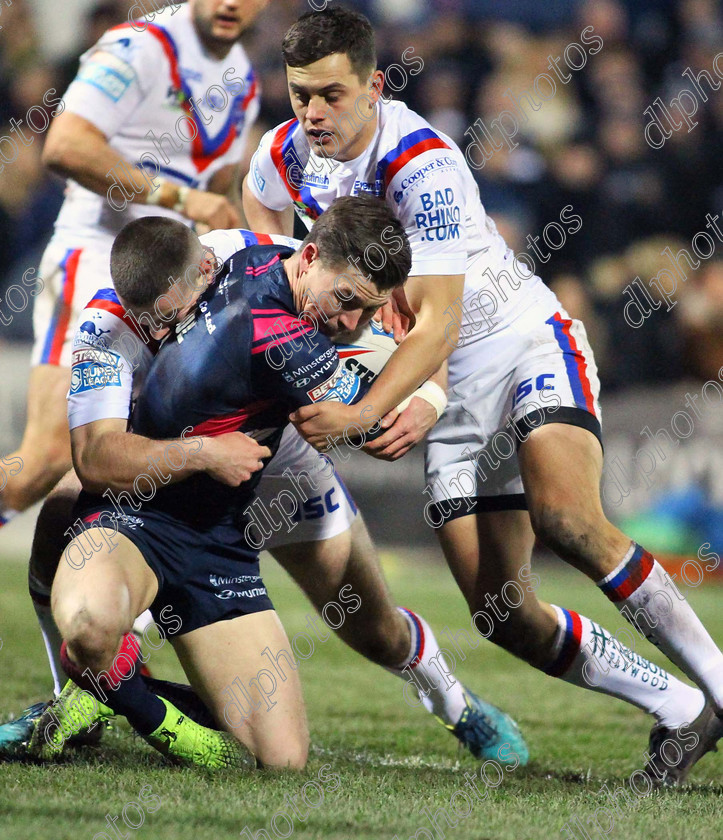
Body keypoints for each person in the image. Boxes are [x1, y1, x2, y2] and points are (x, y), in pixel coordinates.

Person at [241, 6, 723, 785]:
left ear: (371, 84)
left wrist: (362, 412)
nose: (312, 112)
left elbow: (436, 327)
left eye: (329, 94)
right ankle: (679, 709)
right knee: (502, 614)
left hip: (518, 347)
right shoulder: (286, 152)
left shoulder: (419, 162)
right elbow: (259, 212)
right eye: (300, 94)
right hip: (447, 395)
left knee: (567, 518)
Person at [24, 197, 527, 768]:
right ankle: (83, 691)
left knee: (373, 625)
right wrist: (203, 451)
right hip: (170, 470)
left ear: (207, 271)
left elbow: (428, 331)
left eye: (182, 312)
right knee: (62, 515)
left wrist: (430, 399)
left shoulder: (271, 263)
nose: (172, 329)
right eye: (158, 324)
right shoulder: (108, 325)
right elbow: (96, 456)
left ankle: (455, 705)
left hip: (285, 463)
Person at [0, 0, 265, 525]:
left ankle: (102, 596)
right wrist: (179, 200)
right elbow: (65, 144)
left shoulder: (245, 82)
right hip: (97, 258)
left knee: (133, 450)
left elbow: (215, 188)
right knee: (48, 457)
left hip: (171, 284)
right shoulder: (138, 47)